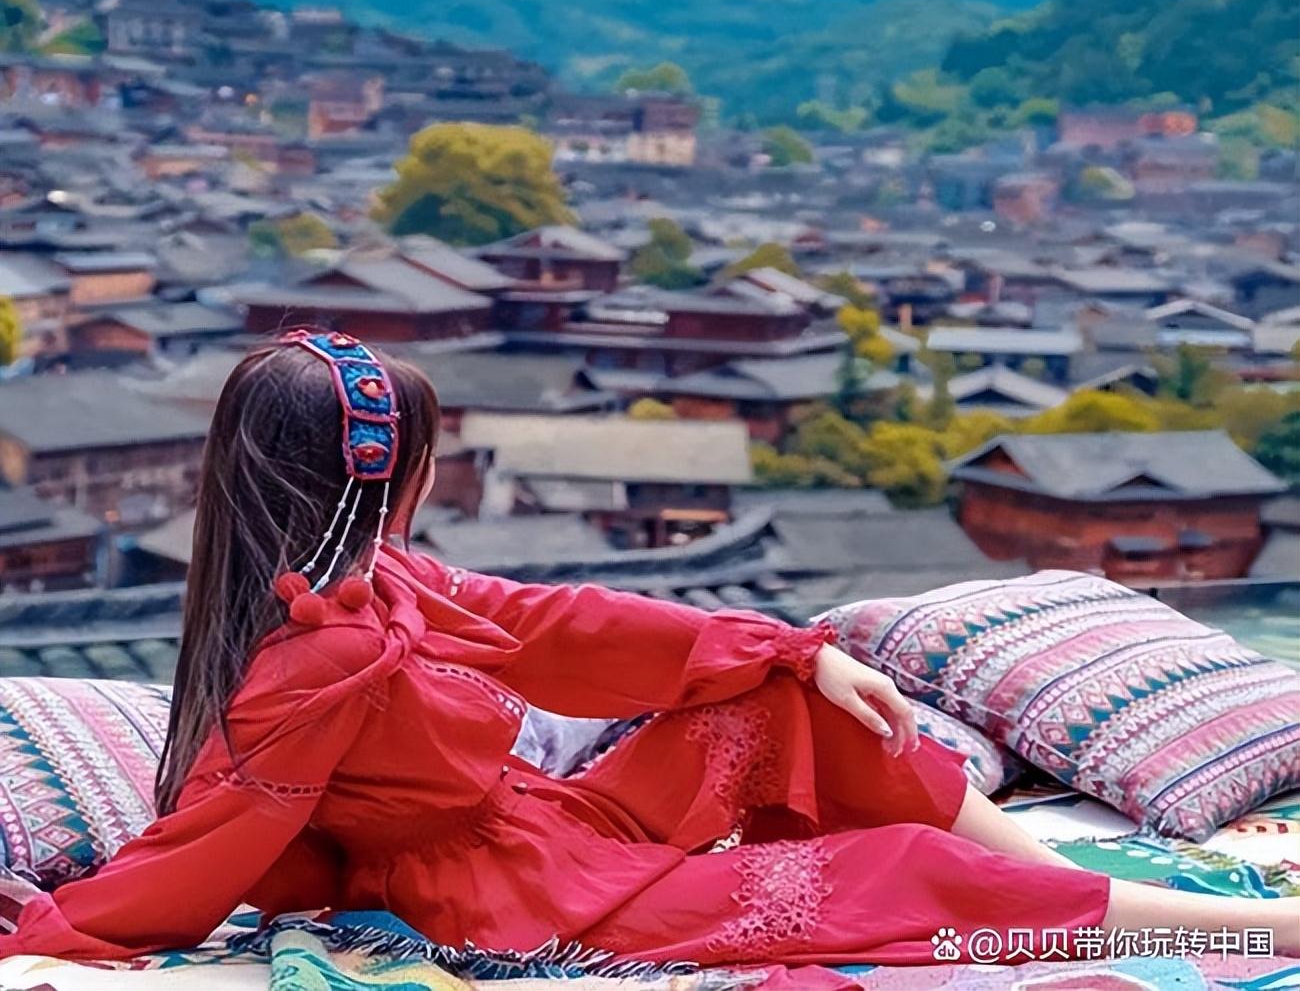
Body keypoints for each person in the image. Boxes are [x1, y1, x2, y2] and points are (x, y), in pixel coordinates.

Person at [1, 333, 1295, 988]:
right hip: (526, 906)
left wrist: (790, 644)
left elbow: (548, 623)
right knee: (897, 873)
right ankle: (1251, 929)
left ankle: (1054, 870)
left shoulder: (375, 582)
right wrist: (56, 933)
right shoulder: (315, 660)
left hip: (554, 832)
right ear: (389, 477)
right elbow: (205, 842)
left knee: (786, 695)